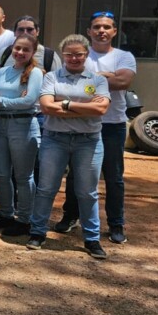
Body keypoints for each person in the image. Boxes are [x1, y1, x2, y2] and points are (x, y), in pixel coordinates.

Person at [26, 34, 110, 259]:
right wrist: (84, 107)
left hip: (89, 141)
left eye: (79, 54)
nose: (74, 58)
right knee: (46, 188)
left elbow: (101, 110)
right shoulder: (52, 77)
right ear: (63, 55)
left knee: (87, 192)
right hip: (55, 138)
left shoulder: (97, 80)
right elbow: (46, 107)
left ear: (86, 54)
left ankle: (92, 239)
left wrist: (63, 103)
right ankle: (37, 232)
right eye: (69, 54)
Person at [58, 12, 136, 244]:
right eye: (96, 27)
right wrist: (104, 78)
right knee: (75, 175)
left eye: (106, 27)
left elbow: (123, 81)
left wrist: (92, 79)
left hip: (112, 126)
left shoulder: (124, 56)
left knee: (113, 178)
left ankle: (116, 224)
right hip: (82, 123)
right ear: (89, 31)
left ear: (114, 31)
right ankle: (70, 216)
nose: (101, 31)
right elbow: (71, 82)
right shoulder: (81, 54)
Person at [0, 34, 43, 236]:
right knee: (1, 174)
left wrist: (1, 101)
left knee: (23, 175)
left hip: (24, 124)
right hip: (0, 125)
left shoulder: (35, 73)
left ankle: (25, 219)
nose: (20, 53)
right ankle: (5, 214)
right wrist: (3, 101)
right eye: (17, 48)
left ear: (32, 52)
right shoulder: (1, 72)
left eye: (25, 50)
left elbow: (29, 101)